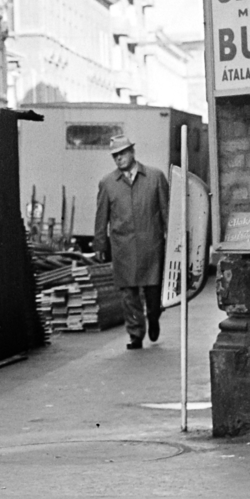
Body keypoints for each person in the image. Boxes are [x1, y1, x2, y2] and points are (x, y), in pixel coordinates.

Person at [93, 134, 170, 350]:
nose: (119, 159)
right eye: (115, 156)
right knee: (129, 293)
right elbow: (101, 217)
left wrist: (174, 240)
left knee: (153, 292)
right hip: (123, 247)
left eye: (122, 153)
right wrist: (100, 244)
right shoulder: (108, 183)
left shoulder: (155, 177)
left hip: (151, 245)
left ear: (132, 152)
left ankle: (153, 317)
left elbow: (167, 211)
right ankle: (136, 334)